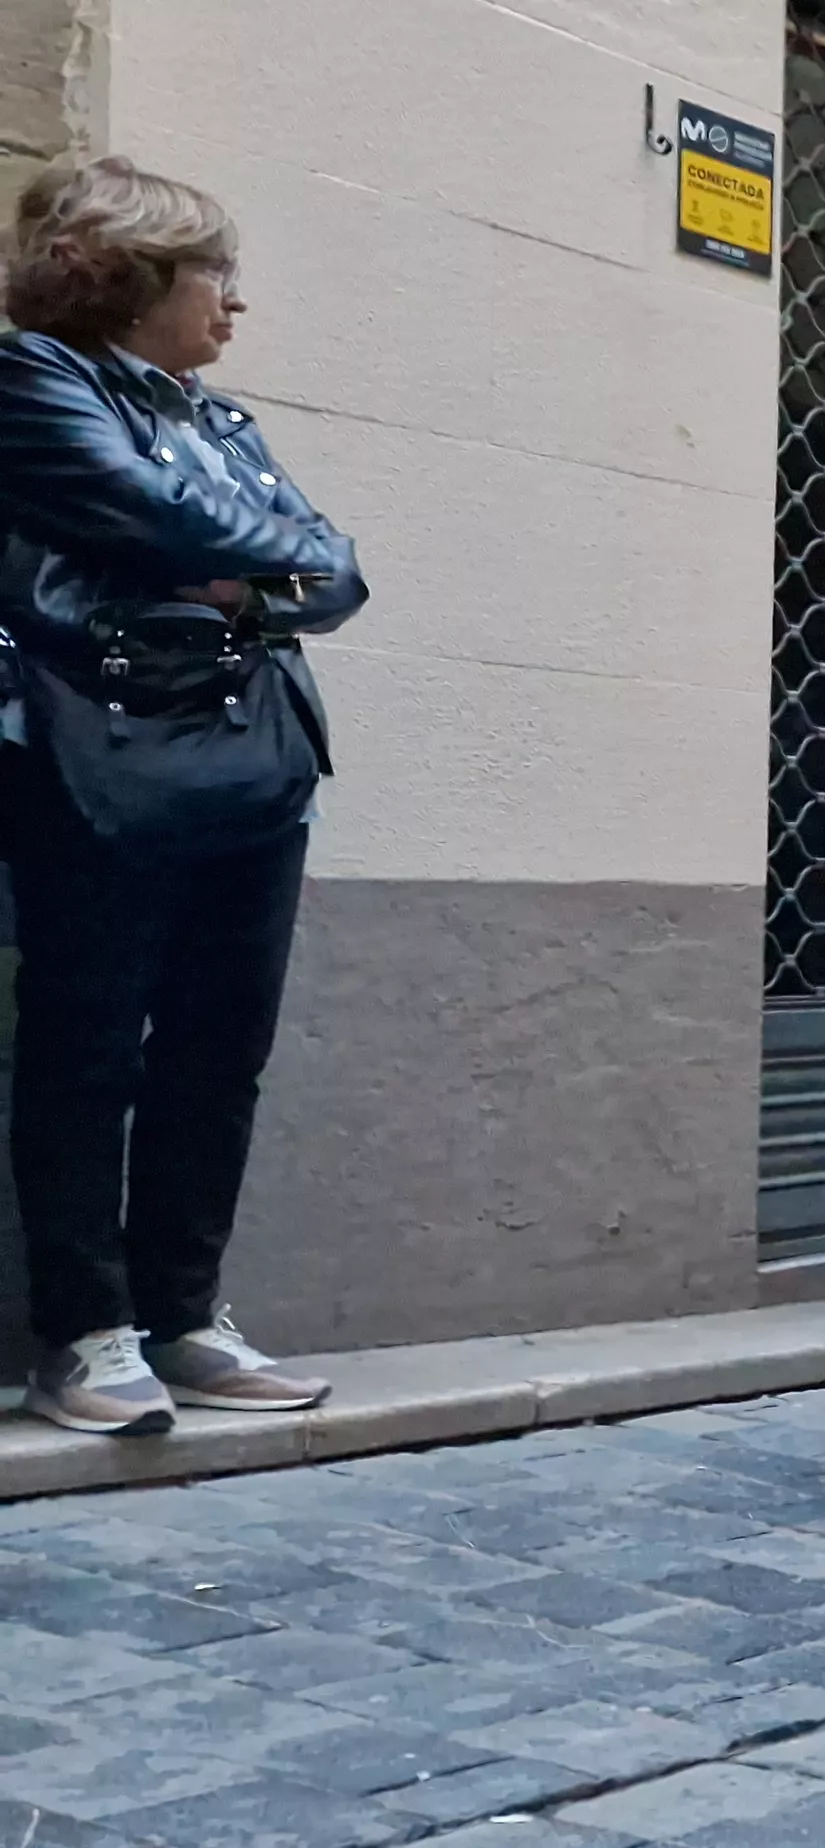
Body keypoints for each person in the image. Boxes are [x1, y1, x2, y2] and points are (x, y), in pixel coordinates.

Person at [1, 158, 365, 1431]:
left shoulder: (222, 419)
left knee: (218, 1054)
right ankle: (83, 1335)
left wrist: (224, 573)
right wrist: (238, 566)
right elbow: (138, 506)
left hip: (250, 758)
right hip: (97, 757)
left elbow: (336, 572)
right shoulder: (36, 378)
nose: (234, 302)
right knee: (87, 1046)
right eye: (215, 274)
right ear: (131, 275)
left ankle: (184, 1316)